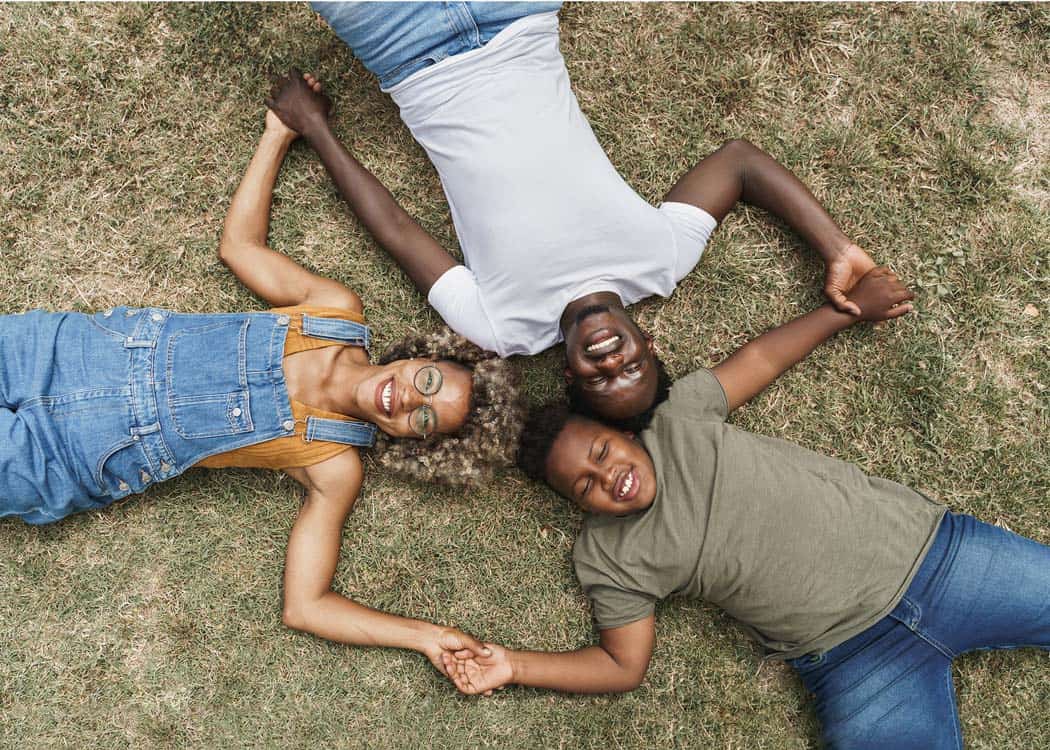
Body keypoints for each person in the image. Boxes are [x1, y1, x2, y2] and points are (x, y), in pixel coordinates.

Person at [0, 74, 523, 673]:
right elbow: (241, 248)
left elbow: (307, 606)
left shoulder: (333, 464)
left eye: (424, 419)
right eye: (427, 382)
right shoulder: (333, 312)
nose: (406, 399)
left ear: (415, 444)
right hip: (59, 351)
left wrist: (425, 635)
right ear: (422, 356)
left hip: (70, 456)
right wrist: (279, 134)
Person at [444, 268, 1050, 748]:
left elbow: (759, 360)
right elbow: (620, 665)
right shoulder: (610, 557)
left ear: (625, 432)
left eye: (603, 452)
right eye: (584, 486)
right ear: (579, 507)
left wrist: (843, 312)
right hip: (855, 662)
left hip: (942, 560)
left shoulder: (679, 417)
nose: (609, 477)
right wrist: (513, 666)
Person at [267, 1, 877, 428]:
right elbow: (740, 163)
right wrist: (837, 249)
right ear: (649, 340)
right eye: (632, 366)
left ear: (568, 375)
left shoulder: (501, 328)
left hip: (404, 49)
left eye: (599, 379)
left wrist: (316, 128)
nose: (613, 362)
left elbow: (396, 230)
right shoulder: (663, 260)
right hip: (520, 18)